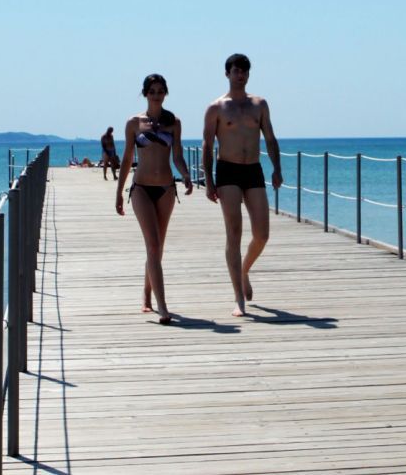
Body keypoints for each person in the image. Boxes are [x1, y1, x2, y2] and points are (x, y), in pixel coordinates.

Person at [202, 53, 282, 317]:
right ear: (227, 73)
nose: (241, 75)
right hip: (228, 170)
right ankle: (238, 297)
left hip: (253, 170)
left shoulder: (259, 105)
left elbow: (270, 138)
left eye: (245, 71)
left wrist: (277, 168)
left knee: (262, 234)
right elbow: (207, 145)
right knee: (233, 231)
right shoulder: (216, 108)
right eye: (236, 71)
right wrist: (209, 180)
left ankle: (244, 269)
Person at [114, 74, 194, 324]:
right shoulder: (134, 123)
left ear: (165, 93)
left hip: (167, 189)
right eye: (152, 91)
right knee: (154, 246)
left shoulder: (174, 122)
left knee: (157, 247)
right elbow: (127, 158)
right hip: (141, 189)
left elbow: (178, 155)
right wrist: (118, 191)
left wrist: (186, 175)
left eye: (160, 91)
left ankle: (147, 294)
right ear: (145, 93)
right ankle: (162, 306)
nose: (156, 95)